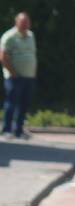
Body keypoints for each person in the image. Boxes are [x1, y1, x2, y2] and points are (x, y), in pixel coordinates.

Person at [1, 12, 37, 140]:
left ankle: (19, 130)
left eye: (27, 22)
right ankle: (6, 130)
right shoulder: (9, 36)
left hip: (29, 76)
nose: (25, 24)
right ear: (16, 22)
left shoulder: (31, 35)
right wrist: (13, 73)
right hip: (14, 77)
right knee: (11, 103)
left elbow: (32, 55)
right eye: (23, 22)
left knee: (24, 104)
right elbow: (3, 56)